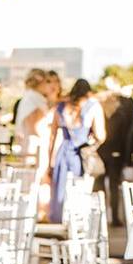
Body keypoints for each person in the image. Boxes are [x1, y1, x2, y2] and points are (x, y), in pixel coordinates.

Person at [46, 79, 105, 223]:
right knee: (79, 188)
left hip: (63, 151)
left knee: (60, 188)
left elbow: (52, 135)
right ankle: (76, 221)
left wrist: (50, 160)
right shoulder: (93, 106)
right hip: (80, 153)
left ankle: (59, 220)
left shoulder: (61, 107)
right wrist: (91, 141)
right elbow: (101, 135)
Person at [99, 93, 128, 226]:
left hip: (109, 153)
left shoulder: (117, 116)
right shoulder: (107, 115)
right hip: (109, 154)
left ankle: (111, 216)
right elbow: (124, 138)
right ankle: (108, 216)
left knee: (110, 187)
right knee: (109, 186)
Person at [14, 69, 50, 160]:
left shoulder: (31, 97)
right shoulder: (33, 99)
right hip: (34, 145)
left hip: (32, 143)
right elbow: (32, 126)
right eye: (47, 82)